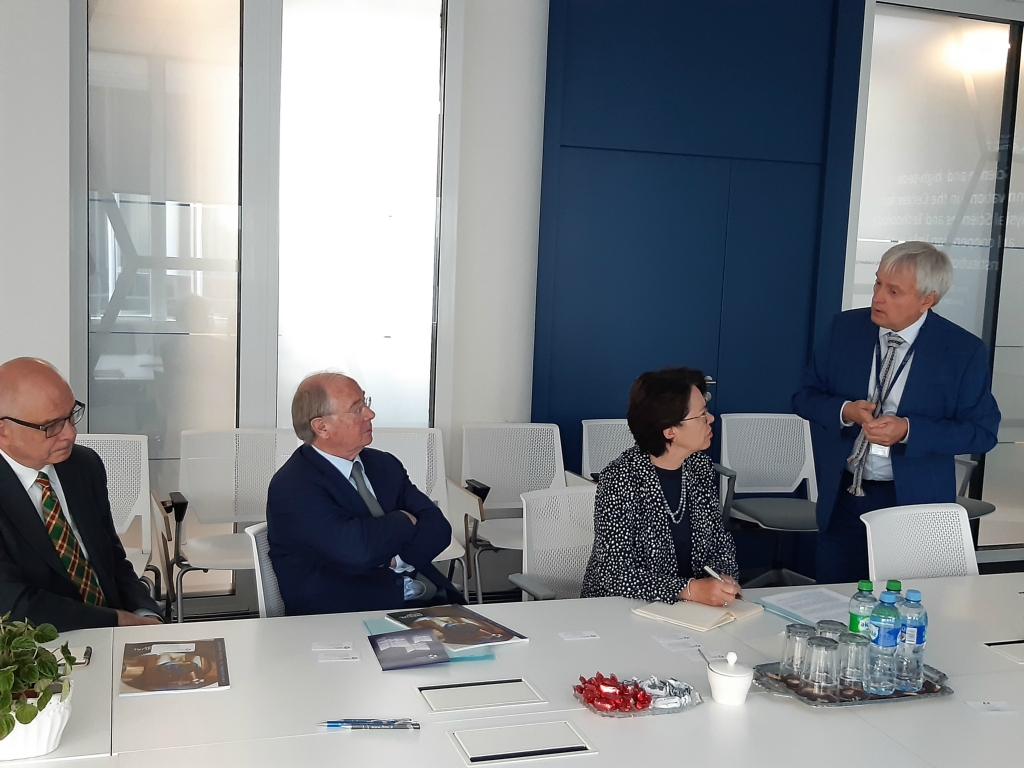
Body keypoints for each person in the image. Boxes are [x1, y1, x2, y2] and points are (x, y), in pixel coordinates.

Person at [793, 242, 1000, 584]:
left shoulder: (962, 350)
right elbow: (804, 397)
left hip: (913, 500)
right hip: (845, 497)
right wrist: (845, 410)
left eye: (893, 291)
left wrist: (908, 430)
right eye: (878, 283)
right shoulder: (844, 329)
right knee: (835, 597)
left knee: (903, 602)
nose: (878, 297)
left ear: (927, 300)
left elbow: (982, 432)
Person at [267, 372, 459, 615]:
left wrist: (396, 559)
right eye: (356, 409)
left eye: (365, 403)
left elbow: (439, 528)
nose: (370, 414)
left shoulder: (384, 465)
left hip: (429, 601)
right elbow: (357, 552)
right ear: (322, 427)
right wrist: (404, 519)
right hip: (349, 617)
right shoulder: (292, 486)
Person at [0, 358, 162, 631]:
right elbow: (13, 604)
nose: (71, 434)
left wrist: (145, 613)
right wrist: (118, 620)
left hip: (116, 630)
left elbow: (112, 558)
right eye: (51, 426)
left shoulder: (84, 465)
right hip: (43, 644)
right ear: (3, 430)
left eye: (71, 415)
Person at [581, 367, 741, 607]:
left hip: (688, 610)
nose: (711, 419)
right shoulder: (621, 478)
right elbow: (614, 573)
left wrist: (723, 577)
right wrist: (688, 589)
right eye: (702, 415)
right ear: (670, 431)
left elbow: (718, 541)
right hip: (621, 609)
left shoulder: (699, 467)